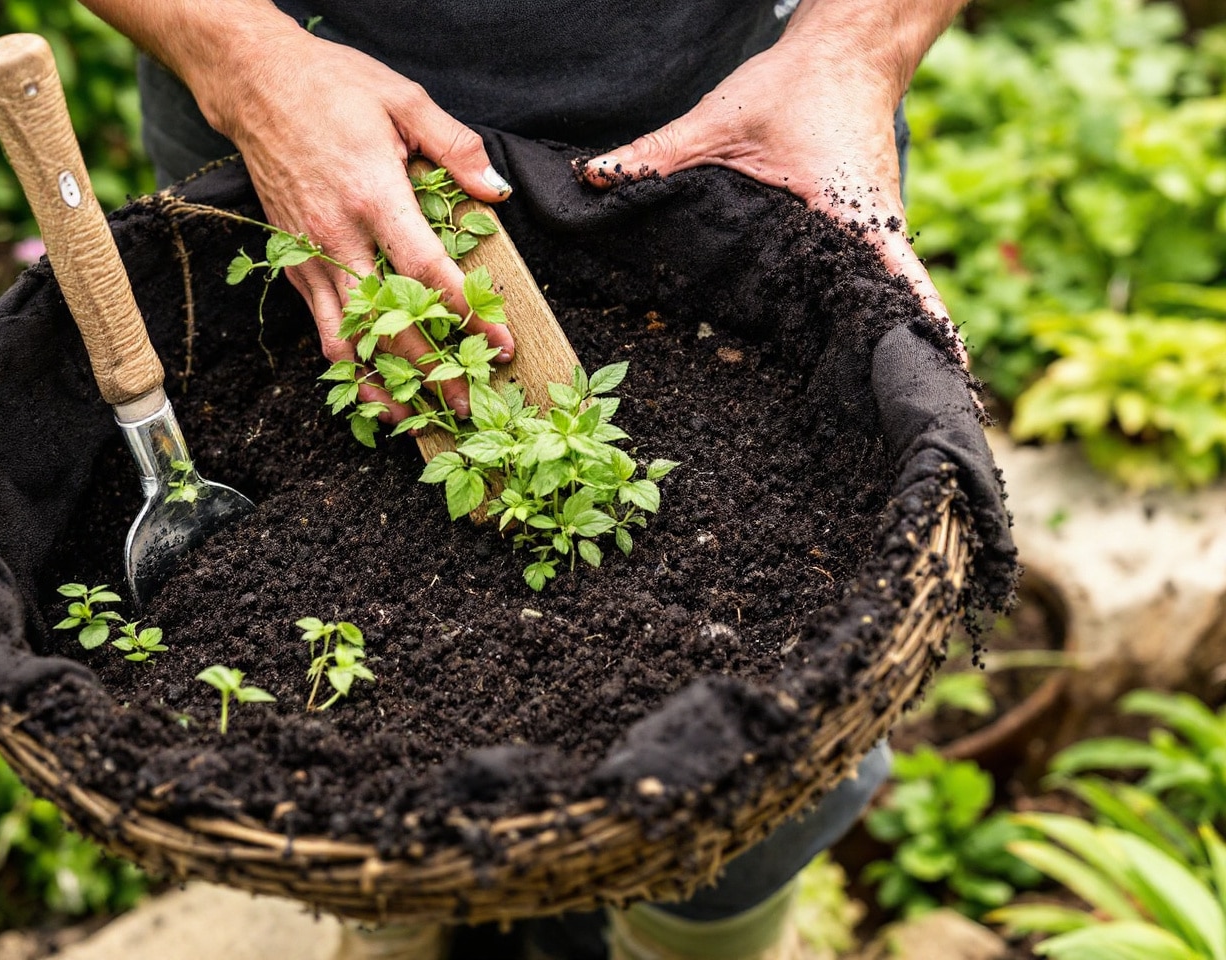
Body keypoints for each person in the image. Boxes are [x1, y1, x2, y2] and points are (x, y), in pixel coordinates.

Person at [77, 2, 970, 957]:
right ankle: (392, 914)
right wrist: (241, 58)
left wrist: (859, 46)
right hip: (283, 101)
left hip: (734, 110)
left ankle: (708, 930)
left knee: (762, 765)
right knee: (341, 806)